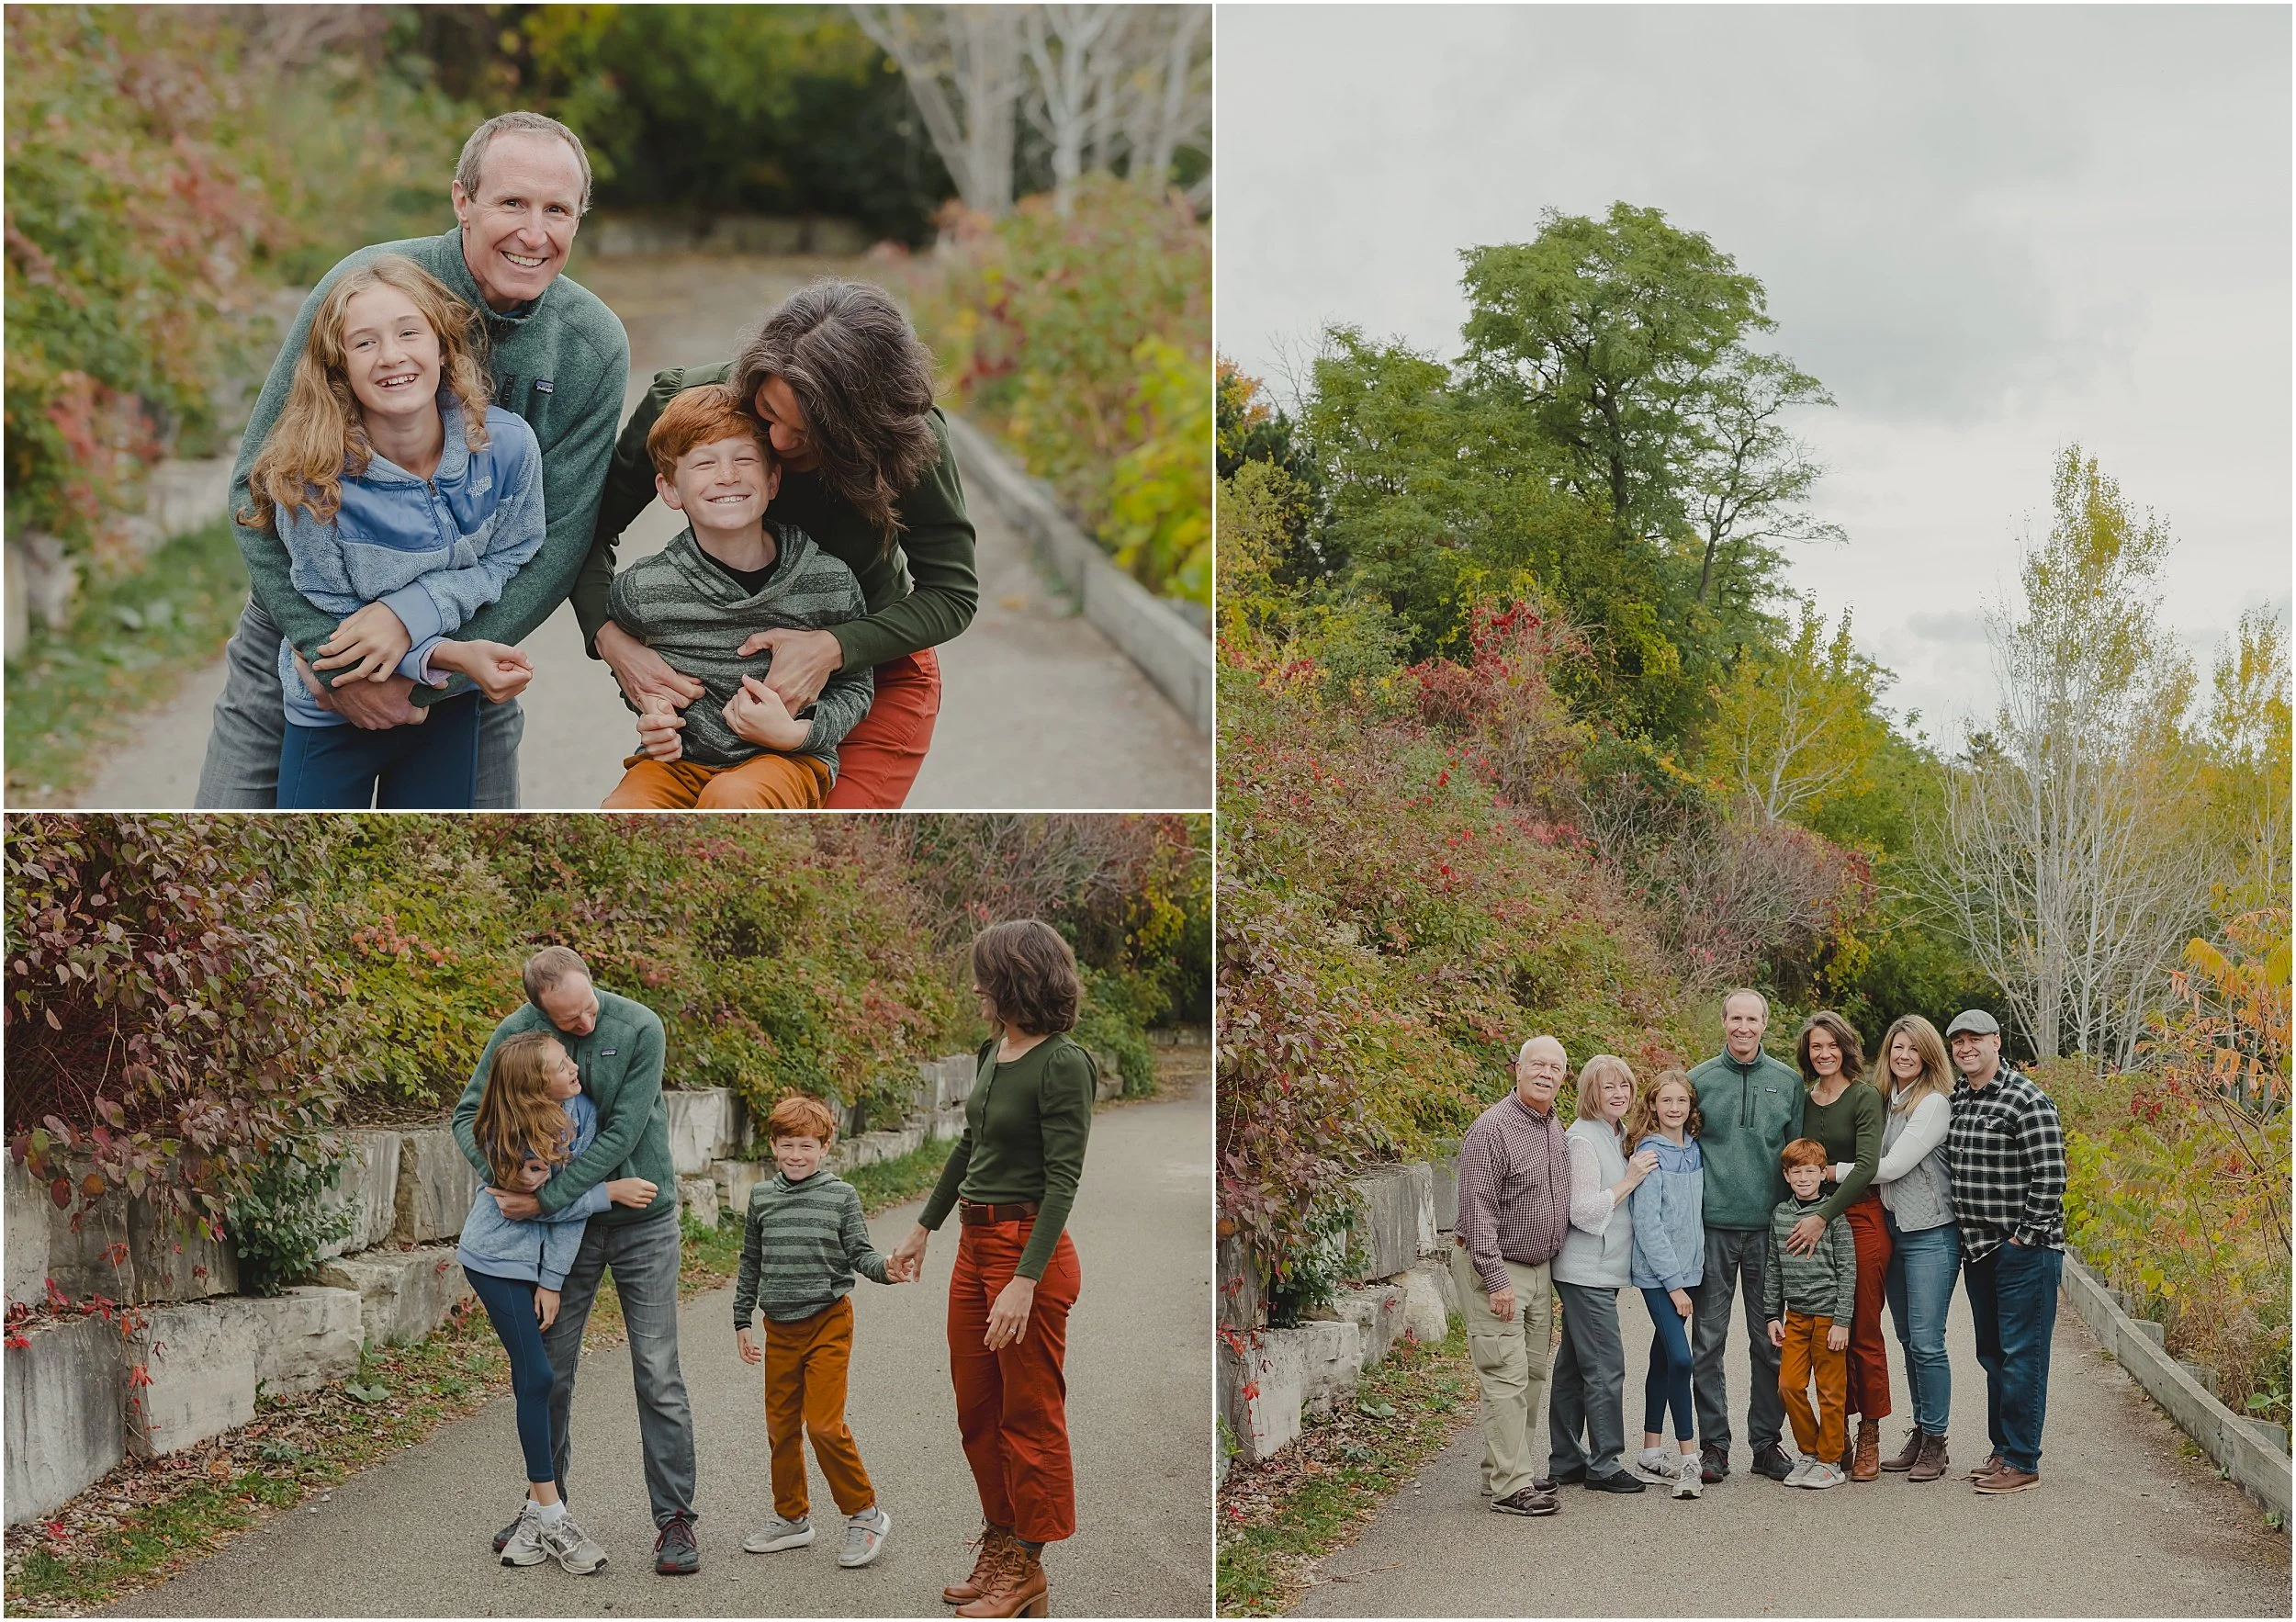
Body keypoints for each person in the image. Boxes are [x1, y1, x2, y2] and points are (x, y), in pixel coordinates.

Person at [198, 110, 629, 808]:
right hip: (310, 633)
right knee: (234, 840)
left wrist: (427, 670)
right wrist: (331, 661)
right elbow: (258, 487)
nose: (534, 233)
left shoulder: (591, 346)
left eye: (557, 210)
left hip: (466, 650)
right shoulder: (363, 291)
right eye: (512, 203)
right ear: (463, 200)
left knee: (464, 855)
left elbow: (555, 542)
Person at [574, 281, 978, 808]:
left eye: (812, 433)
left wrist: (832, 647)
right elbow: (584, 531)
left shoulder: (904, 437)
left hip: (873, 672)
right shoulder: (689, 409)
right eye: (766, 412)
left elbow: (952, 594)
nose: (781, 444)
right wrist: (611, 640)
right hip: (716, 716)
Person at [249, 254, 541, 807]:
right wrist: (449, 655)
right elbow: (331, 615)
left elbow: (513, 554)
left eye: (409, 332)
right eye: (364, 343)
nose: (391, 356)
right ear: (339, 369)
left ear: (443, 346)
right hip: (335, 708)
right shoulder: (312, 478)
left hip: (444, 702)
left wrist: (417, 612)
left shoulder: (506, 447)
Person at [453, 946, 703, 1575]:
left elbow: (622, 1131)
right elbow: (469, 1115)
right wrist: (507, 1177)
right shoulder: (517, 1035)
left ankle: (675, 1519)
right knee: (551, 1373)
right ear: (541, 1013)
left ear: (591, 982)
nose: (585, 1024)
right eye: (569, 1022)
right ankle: (545, 1508)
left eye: (589, 1008)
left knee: (658, 1372)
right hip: (567, 1235)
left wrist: (545, 1198)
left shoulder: (640, 1026)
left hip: (641, 1219)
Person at [886, 921, 1095, 1618]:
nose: (975, 987)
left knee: (1028, 1415)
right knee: (977, 1412)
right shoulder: (992, 1050)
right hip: (975, 1247)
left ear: (1015, 979)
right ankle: (1002, 1543)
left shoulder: (1063, 1063)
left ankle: (1029, 1565)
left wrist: (1025, 1281)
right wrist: (924, 1226)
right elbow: (968, 1148)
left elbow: (1063, 1182)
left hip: (1026, 1251)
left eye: (984, 976)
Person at [599, 385, 873, 808]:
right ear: (670, 490)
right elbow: (631, 671)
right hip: (676, 762)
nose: (727, 475)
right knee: (623, 811)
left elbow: (855, 686)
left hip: (786, 758)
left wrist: (799, 733)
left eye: (743, 459)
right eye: (704, 463)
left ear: (773, 480)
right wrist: (651, 708)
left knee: (733, 797)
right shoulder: (642, 589)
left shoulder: (828, 581)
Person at [456, 1031, 657, 1573]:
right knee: (539, 1377)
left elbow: (558, 1208)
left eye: (569, 1059)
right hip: (494, 1261)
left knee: (535, 1379)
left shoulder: (582, 1113)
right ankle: (552, 1514)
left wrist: (552, 1281)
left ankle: (536, 1519)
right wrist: (607, 1194)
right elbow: (526, 1207)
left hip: (537, 1268)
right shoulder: (501, 1129)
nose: (575, 1068)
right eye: (560, 1065)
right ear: (533, 1084)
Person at [732, 1094, 900, 1570]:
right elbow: (750, 1261)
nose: (795, 1155)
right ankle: (792, 1518)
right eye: (787, 1145)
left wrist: (887, 1268)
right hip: (779, 1328)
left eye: (806, 1145)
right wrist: (742, 1319)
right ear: (772, 1145)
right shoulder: (762, 1198)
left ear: (824, 1147)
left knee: (824, 1426)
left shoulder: (840, 1196)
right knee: (781, 1428)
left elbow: (860, 1253)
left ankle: (866, 1514)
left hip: (828, 1321)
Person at [1447, 1036, 1575, 1518]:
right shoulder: (1492, 1128)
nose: (1546, 1073)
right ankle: (1511, 1487)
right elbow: (1477, 1210)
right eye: (1537, 1064)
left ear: (1563, 1078)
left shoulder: (1553, 1127)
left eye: (1555, 1068)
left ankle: (1505, 1469)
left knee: (1533, 1374)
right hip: (1497, 1267)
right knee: (1505, 1373)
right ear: (1517, 1070)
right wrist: (1496, 1279)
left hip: (1538, 1270)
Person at [1942, 1008, 2066, 1495]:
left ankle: (2023, 1460)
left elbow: (2051, 1175)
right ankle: (2002, 1450)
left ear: (1996, 1042)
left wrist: (2024, 1238)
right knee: (1993, 1354)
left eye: (1975, 1039)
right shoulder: (1960, 1098)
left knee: (2023, 1355)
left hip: (2023, 1252)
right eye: (1958, 1041)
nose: (1966, 1047)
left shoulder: (2026, 1099)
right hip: (1979, 1249)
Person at [1686, 989, 1805, 1484]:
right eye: (1735, 1018)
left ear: (1764, 1024)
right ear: (1723, 1021)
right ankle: (1714, 1445)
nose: (1743, 1027)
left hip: (1768, 1233)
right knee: (1707, 1342)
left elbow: (1799, 1157)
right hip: (1713, 1228)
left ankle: (1766, 1444)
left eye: (1752, 1019)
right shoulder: (1698, 1081)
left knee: (1770, 1340)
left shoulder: (1788, 1082)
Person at [1780, 1011, 1894, 1481]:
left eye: (1831, 1045)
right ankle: (1834, 1435)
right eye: (1815, 1047)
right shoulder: (1805, 1100)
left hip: (1858, 1218)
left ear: (1846, 1048)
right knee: (1824, 1332)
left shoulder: (1865, 1097)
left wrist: (1822, 1217)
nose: (1824, 1053)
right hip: (1810, 1221)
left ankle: (1870, 1433)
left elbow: (1867, 1165)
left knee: (1861, 1330)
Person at [1548, 1054, 1660, 1493]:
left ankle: (1566, 1461)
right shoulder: (1583, 1140)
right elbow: (1581, 1211)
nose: (1618, 1093)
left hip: (1602, 1271)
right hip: (1585, 1271)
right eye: (1607, 1086)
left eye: (1624, 1086)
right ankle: (1605, 1464)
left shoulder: (1618, 1134)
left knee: (1575, 1365)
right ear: (1590, 1093)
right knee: (1606, 1367)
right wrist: (1629, 1180)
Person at [1868, 1015, 1959, 1481]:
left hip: (1931, 1235)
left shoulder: (1933, 1104)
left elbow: (1891, 1166)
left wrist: (1831, 1171)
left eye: (1913, 1048)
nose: (1904, 1056)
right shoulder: (1886, 1101)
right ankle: (1922, 1432)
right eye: (1897, 1047)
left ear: (1928, 1055)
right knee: (1907, 1338)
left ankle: (1937, 1442)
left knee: (1927, 1341)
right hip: (1895, 1231)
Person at [1624, 1069, 1705, 1501]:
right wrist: (1674, 1284)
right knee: (1681, 1359)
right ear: (1653, 1106)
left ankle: (1651, 1452)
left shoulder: (1694, 1150)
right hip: (1660, 1277)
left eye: (1681, 1101)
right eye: (1666, 1101)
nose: (1674, 1108)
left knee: (1662, 1358)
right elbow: (1648, 1224)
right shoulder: (1650, 1154)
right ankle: (1690, 1460)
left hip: (1688, 1273)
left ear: (1691, 1107)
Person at [1762, 1138, 1858, 1490]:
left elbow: (1848, 1271)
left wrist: (1842, 1321)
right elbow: (1774, 1266)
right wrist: (1772, 1314)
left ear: (1822, 1174)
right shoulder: (1780, 1215)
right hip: (1796, 1318)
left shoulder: (1834, 1216)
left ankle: (1831, 1460)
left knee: (1830, 1391)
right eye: (1796, 1172)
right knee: (1788, 1385)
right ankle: (1810, 1451)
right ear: (1786, 1176)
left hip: (1829, 1318)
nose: (1803, 1178)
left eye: (1810, 1171)